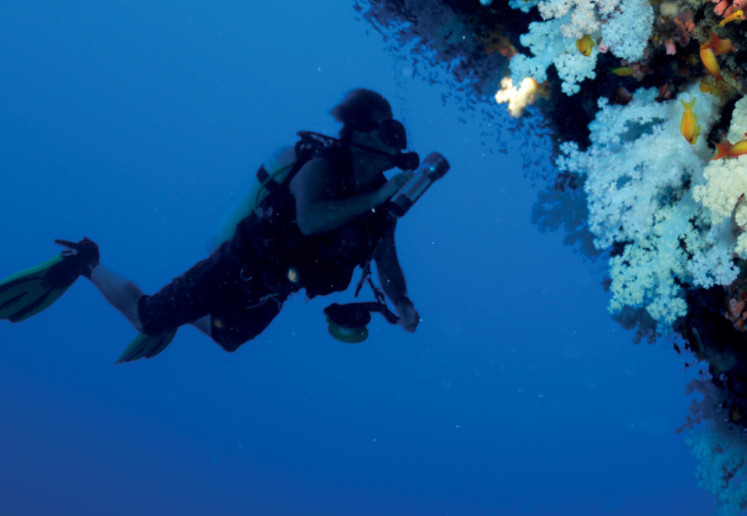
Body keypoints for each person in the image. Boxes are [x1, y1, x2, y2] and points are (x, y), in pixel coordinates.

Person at [0, 89, 434, 361]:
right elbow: (310, 219)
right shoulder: (322, 166)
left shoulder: (378, 198)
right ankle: (86, 262)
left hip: (273, 289)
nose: (399, 142)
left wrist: (402, 300)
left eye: (399, 135)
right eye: (390, 132)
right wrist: (375, 197)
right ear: (359, 132)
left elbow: (385, 254)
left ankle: (188, 313)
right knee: (147, 318)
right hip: (234, 267)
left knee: (228, 341)